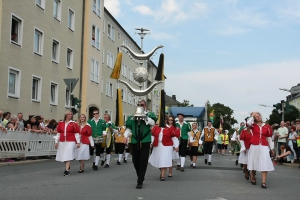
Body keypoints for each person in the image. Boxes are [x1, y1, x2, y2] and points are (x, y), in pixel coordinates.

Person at [123, 100, 157, 189]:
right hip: (135, 140)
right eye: (138, 105)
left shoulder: (149, 115)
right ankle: (140, 175)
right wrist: (125, 136)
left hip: (145, 140)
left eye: (142, 105)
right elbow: (129, 128)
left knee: (143, 161)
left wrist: (144, 116)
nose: (140, 106)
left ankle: (140, 181)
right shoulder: (131, 117)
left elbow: (153, 123)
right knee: (135, 161)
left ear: (145, 106)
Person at [247, 112, 274, 189]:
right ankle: (253, 176)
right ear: (254, 118)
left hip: (264, 146)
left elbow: (269, 138)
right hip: (254, 146)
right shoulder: (252, 125)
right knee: (253, 161)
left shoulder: (267, 126)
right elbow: (248, 122)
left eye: (259, 116)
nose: (258, 117)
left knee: (265, 162)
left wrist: (271, 148)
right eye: (256, 116)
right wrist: (252, 116)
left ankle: (263, 182)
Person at [54, 110, 81, 176]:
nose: (70, 115)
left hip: (71, 141)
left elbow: (77, 134)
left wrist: (78, 142)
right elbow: (58, 133)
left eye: (71, 114)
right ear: (66, 115)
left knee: (68, 154)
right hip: (62, 141)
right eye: (69, 114)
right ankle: (67, 166)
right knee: (64, 155)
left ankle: (66, 170)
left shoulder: (74, 124)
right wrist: (56, 142)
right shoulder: (61, 123)